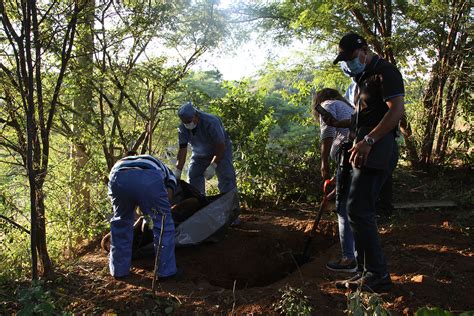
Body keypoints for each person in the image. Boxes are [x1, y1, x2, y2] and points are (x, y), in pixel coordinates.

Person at [331, 32, 405, 292]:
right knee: (354, 210)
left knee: (359, 209)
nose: (349, 63)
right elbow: (361, 117)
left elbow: (396, 111)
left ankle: (378, 276)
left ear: (364, 50)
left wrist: (369, 140)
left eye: (351, 57)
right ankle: (365, 272)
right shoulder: (362, 77)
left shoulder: (386, 72)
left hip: (378, 147)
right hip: (362, 148)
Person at [108, 154, 178, 279]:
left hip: (117, 176)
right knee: (163, 223)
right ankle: (166, 272)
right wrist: (153, 213)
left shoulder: (122, 162)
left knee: (121, 223)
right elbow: (167, 198)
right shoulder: (168, 172)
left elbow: (118, 201)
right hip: (148, 177)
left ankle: (119, 271)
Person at [312, 88, 356, 272]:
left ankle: (348, 259)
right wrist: (338, 183)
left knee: (343, 208)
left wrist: (323, 163)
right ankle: (359, 256)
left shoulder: (326, 105)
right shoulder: (348, 107)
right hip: (357, 157)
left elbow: (328, 134)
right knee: (355, 206)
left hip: (346, 156)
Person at [175, 102, 237, 195]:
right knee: (193, 176)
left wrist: (213, 165)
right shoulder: (182, 128)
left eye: (190, 121)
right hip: (199, 155)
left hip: (220, 151)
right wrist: (178, 170)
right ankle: (198, 203)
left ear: (196, 115)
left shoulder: (211, 122)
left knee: (226, 177)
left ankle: (230, 206)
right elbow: (182, 149)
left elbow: (221, 145)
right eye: (185, 123)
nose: (188, 124)